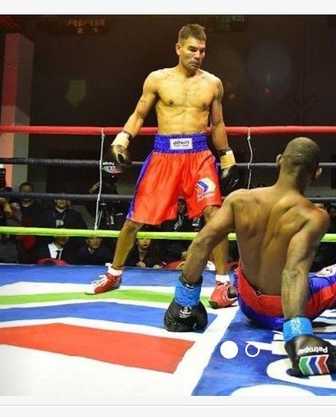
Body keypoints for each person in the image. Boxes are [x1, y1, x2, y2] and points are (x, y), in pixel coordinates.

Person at [162, 137, 336, 378]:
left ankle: (202, 301)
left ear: (279, 161)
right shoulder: (312, 216)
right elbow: (294, 270)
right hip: (282, 312)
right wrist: (298, 335)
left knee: (243, 266)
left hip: (247, 303)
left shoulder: (239, 199)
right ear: (317, 173)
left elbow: (203, 242)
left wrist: (185, 302)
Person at [85, 23, 240, 308]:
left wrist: (226, 156)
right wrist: (122, 140)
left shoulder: (212, 83)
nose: (198, 55)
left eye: (203, 50)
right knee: (135, 219)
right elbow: (139, 113)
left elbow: (217, 124)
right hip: (163, 155)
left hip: (199, 155)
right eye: (192, 49)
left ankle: (222, 283)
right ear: (178, 48)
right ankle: (114, 273)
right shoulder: (158, 79)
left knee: (214, 215)